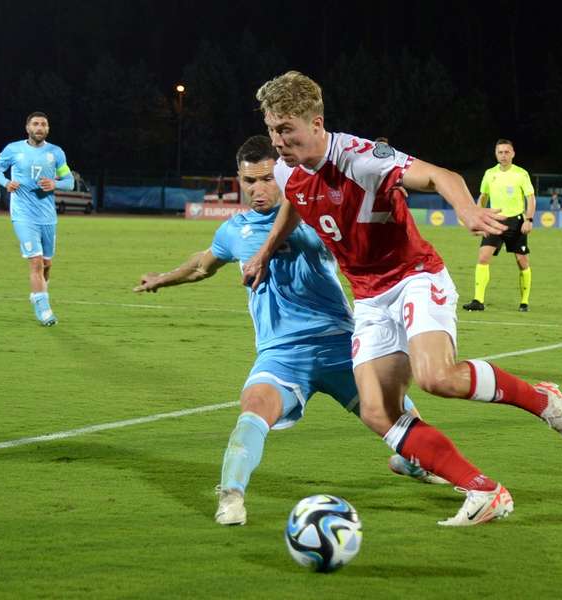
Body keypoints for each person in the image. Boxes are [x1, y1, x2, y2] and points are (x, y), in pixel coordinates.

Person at [243, 71, 562, 527]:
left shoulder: (361, 157)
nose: (278, 140)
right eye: (272, 129)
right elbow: (294, 196)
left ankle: (542, 400)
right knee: (376, 412)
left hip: (414, 276)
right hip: (369, 299)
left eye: (285, 129)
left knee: (436, 377)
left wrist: (466, 209)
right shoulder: (288, 167)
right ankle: (484, 491)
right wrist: (266, 252)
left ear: (316, 123)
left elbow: (438, 175)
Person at [135, 136, 441, 526]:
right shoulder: (235, 231)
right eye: (249, 182)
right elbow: (201, 265)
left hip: (340, 343)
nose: (258, 190)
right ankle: (231, 496)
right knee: (255, 407)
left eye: (267, 179)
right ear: (239, 181)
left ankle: (427, 466)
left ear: (282, 175)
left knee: (397, 418)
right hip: (281, 352)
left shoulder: (314, 214)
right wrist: (162, 278)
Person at [0, 112, 74, 326]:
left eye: (43, 124)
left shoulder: (56, 153)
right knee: (35, 262)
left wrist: (56, 184)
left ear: (47, 129)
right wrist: (6, 182)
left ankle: (38, 294)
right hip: (23, 215)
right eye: (35, 124)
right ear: (27, 127)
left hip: (47, 217)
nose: (39, 127)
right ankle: (44, 310)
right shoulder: (13, 149)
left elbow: (69, 181)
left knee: (46, 263)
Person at [462, 139, 536, 312]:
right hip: (494, 221)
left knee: (522, 260)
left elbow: (530, 198)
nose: (503, 155)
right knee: (483, 257)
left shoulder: (521, 174)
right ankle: (478, 300)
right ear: (496, 154)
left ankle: (524, 302)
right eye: (500, 152)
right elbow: (483, 197)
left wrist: (529, 219)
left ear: (513, 154)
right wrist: (477, 217)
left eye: (506, 152)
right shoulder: (489, 174)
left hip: (516, 222)